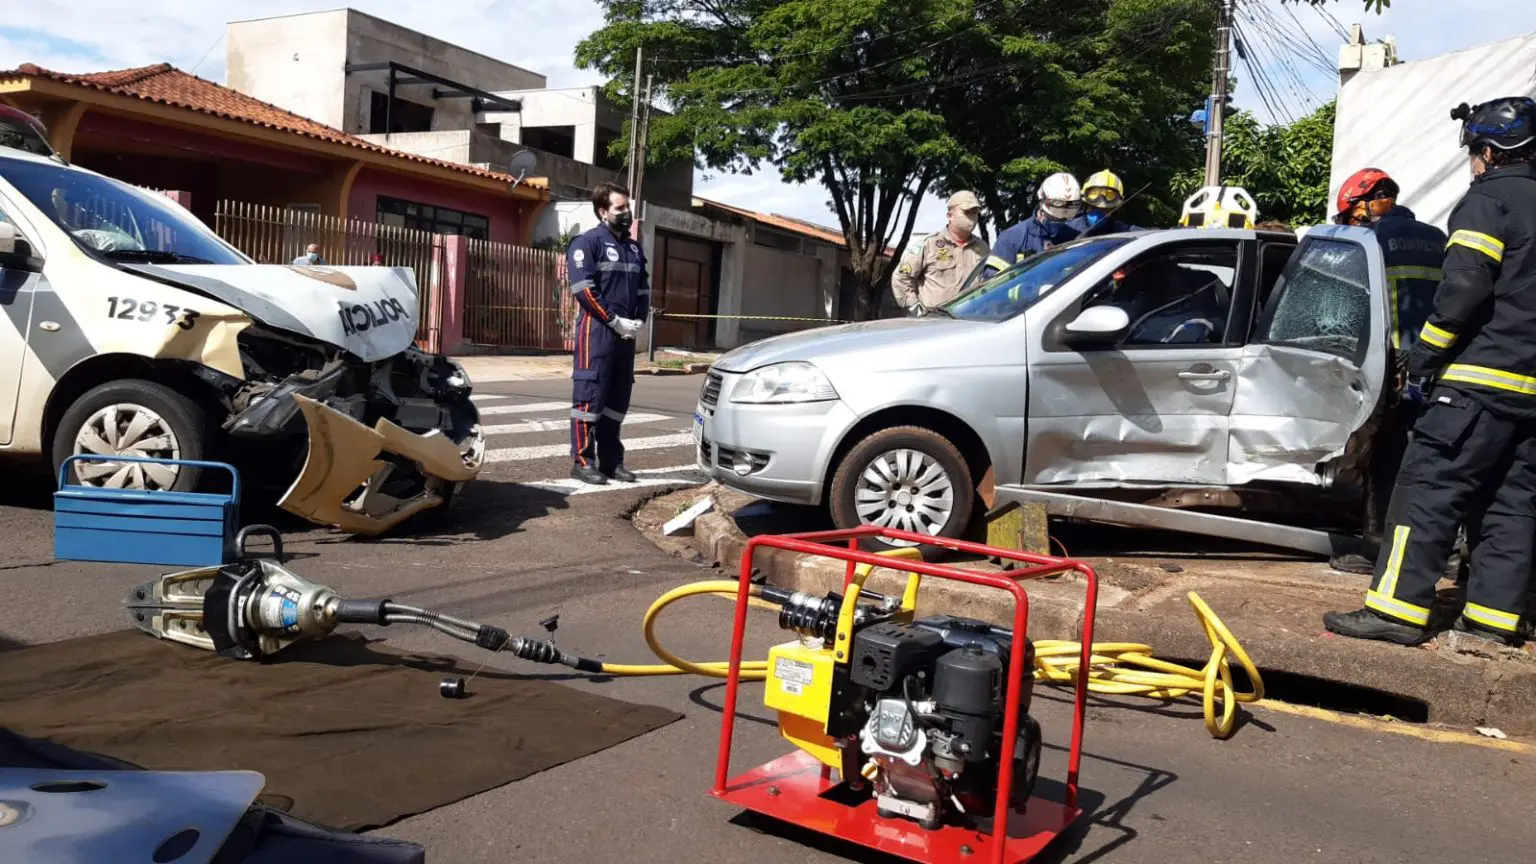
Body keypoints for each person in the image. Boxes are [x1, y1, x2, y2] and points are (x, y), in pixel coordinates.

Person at [1324, 96, 1536, 647]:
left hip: (1476, 383)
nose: (1473, 162)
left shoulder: (1488, 201)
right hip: (1530, 393)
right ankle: (1490, 622)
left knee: (1424, 491)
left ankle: (1396, 612)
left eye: (1474, 152)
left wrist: (1425, 358)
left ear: (1489, 151)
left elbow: (1464, 287)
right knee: (1511, 505)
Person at [1328, 168, 1450, 575]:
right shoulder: (1437, 238)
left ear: (1361, 208)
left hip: (1389, 368)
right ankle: (1448, 554)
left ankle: (1375, 551)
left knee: (1385, 458)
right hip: (1440, 366)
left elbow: (1347, 311)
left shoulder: (1368, 241)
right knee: (1439, 462)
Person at [566, 181, 649, 485]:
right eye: (620, 208)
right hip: (597, 333)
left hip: (626, 336)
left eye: (627, 206)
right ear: (603, 211)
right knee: (590, 397)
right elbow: (584, 290)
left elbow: (642, 288)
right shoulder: (587, 243)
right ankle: (583, 461)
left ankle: (612, 462)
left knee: (617, 400)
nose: (627, 212)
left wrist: (638, 320)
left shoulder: (633, 248)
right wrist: (613, 320)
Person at [891, 191, 989, 312]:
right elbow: (902, 277)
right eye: (966, 212)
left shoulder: (982, 248)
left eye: (974, 213)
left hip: (973, 319)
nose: (971, 218)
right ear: (950, 216)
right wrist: (914, 307)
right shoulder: (929, 244)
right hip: (934, 322)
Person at [983, 173, 1081, 278]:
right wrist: (1026, 289)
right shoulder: (1011, 239)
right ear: (1042, 203)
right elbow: (992, 283)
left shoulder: (1075, 239)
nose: (1060, 220)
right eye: (1056, 217)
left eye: (1065, 218)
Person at [1068, 169, 1141, 236]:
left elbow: (1142, 234)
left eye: (1105, 209)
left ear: (1114, 208)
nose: (1098, 213)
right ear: (1085, 204)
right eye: (1094, 207)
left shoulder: (1122, 232)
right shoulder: (1067, 230)